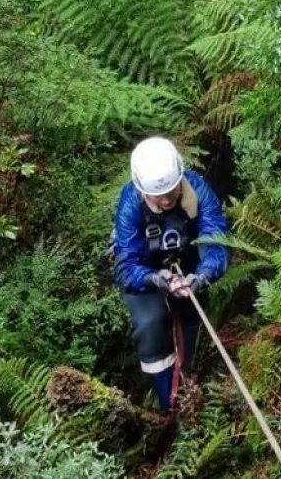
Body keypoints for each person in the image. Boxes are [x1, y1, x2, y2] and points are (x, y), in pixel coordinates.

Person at [112, 136, 230, 413]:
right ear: (142, 190)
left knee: (191, 312)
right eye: (157, 195)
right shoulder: (131, 204)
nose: (165, 200)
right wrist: (155, 279)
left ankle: (187, 385)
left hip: (188, 263)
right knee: (149, 323)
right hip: (146, 270)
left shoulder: (199, 191)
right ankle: (168, 402)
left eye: (171, 191)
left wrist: (202, 276)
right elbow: (126, 263)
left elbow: (217, 242)